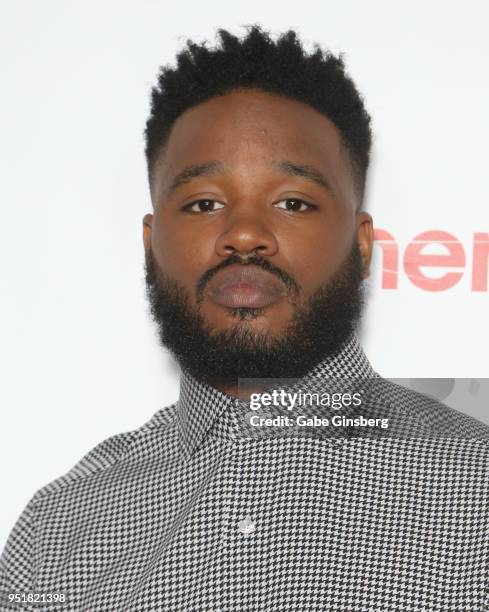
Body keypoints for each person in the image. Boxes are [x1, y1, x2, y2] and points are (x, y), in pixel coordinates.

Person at [1, 26, 488, 612]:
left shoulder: (477, 483)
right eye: (205, 203)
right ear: (151, 245)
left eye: (293, 202)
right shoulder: (56, 529)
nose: (245, 234)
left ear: (362, 246)